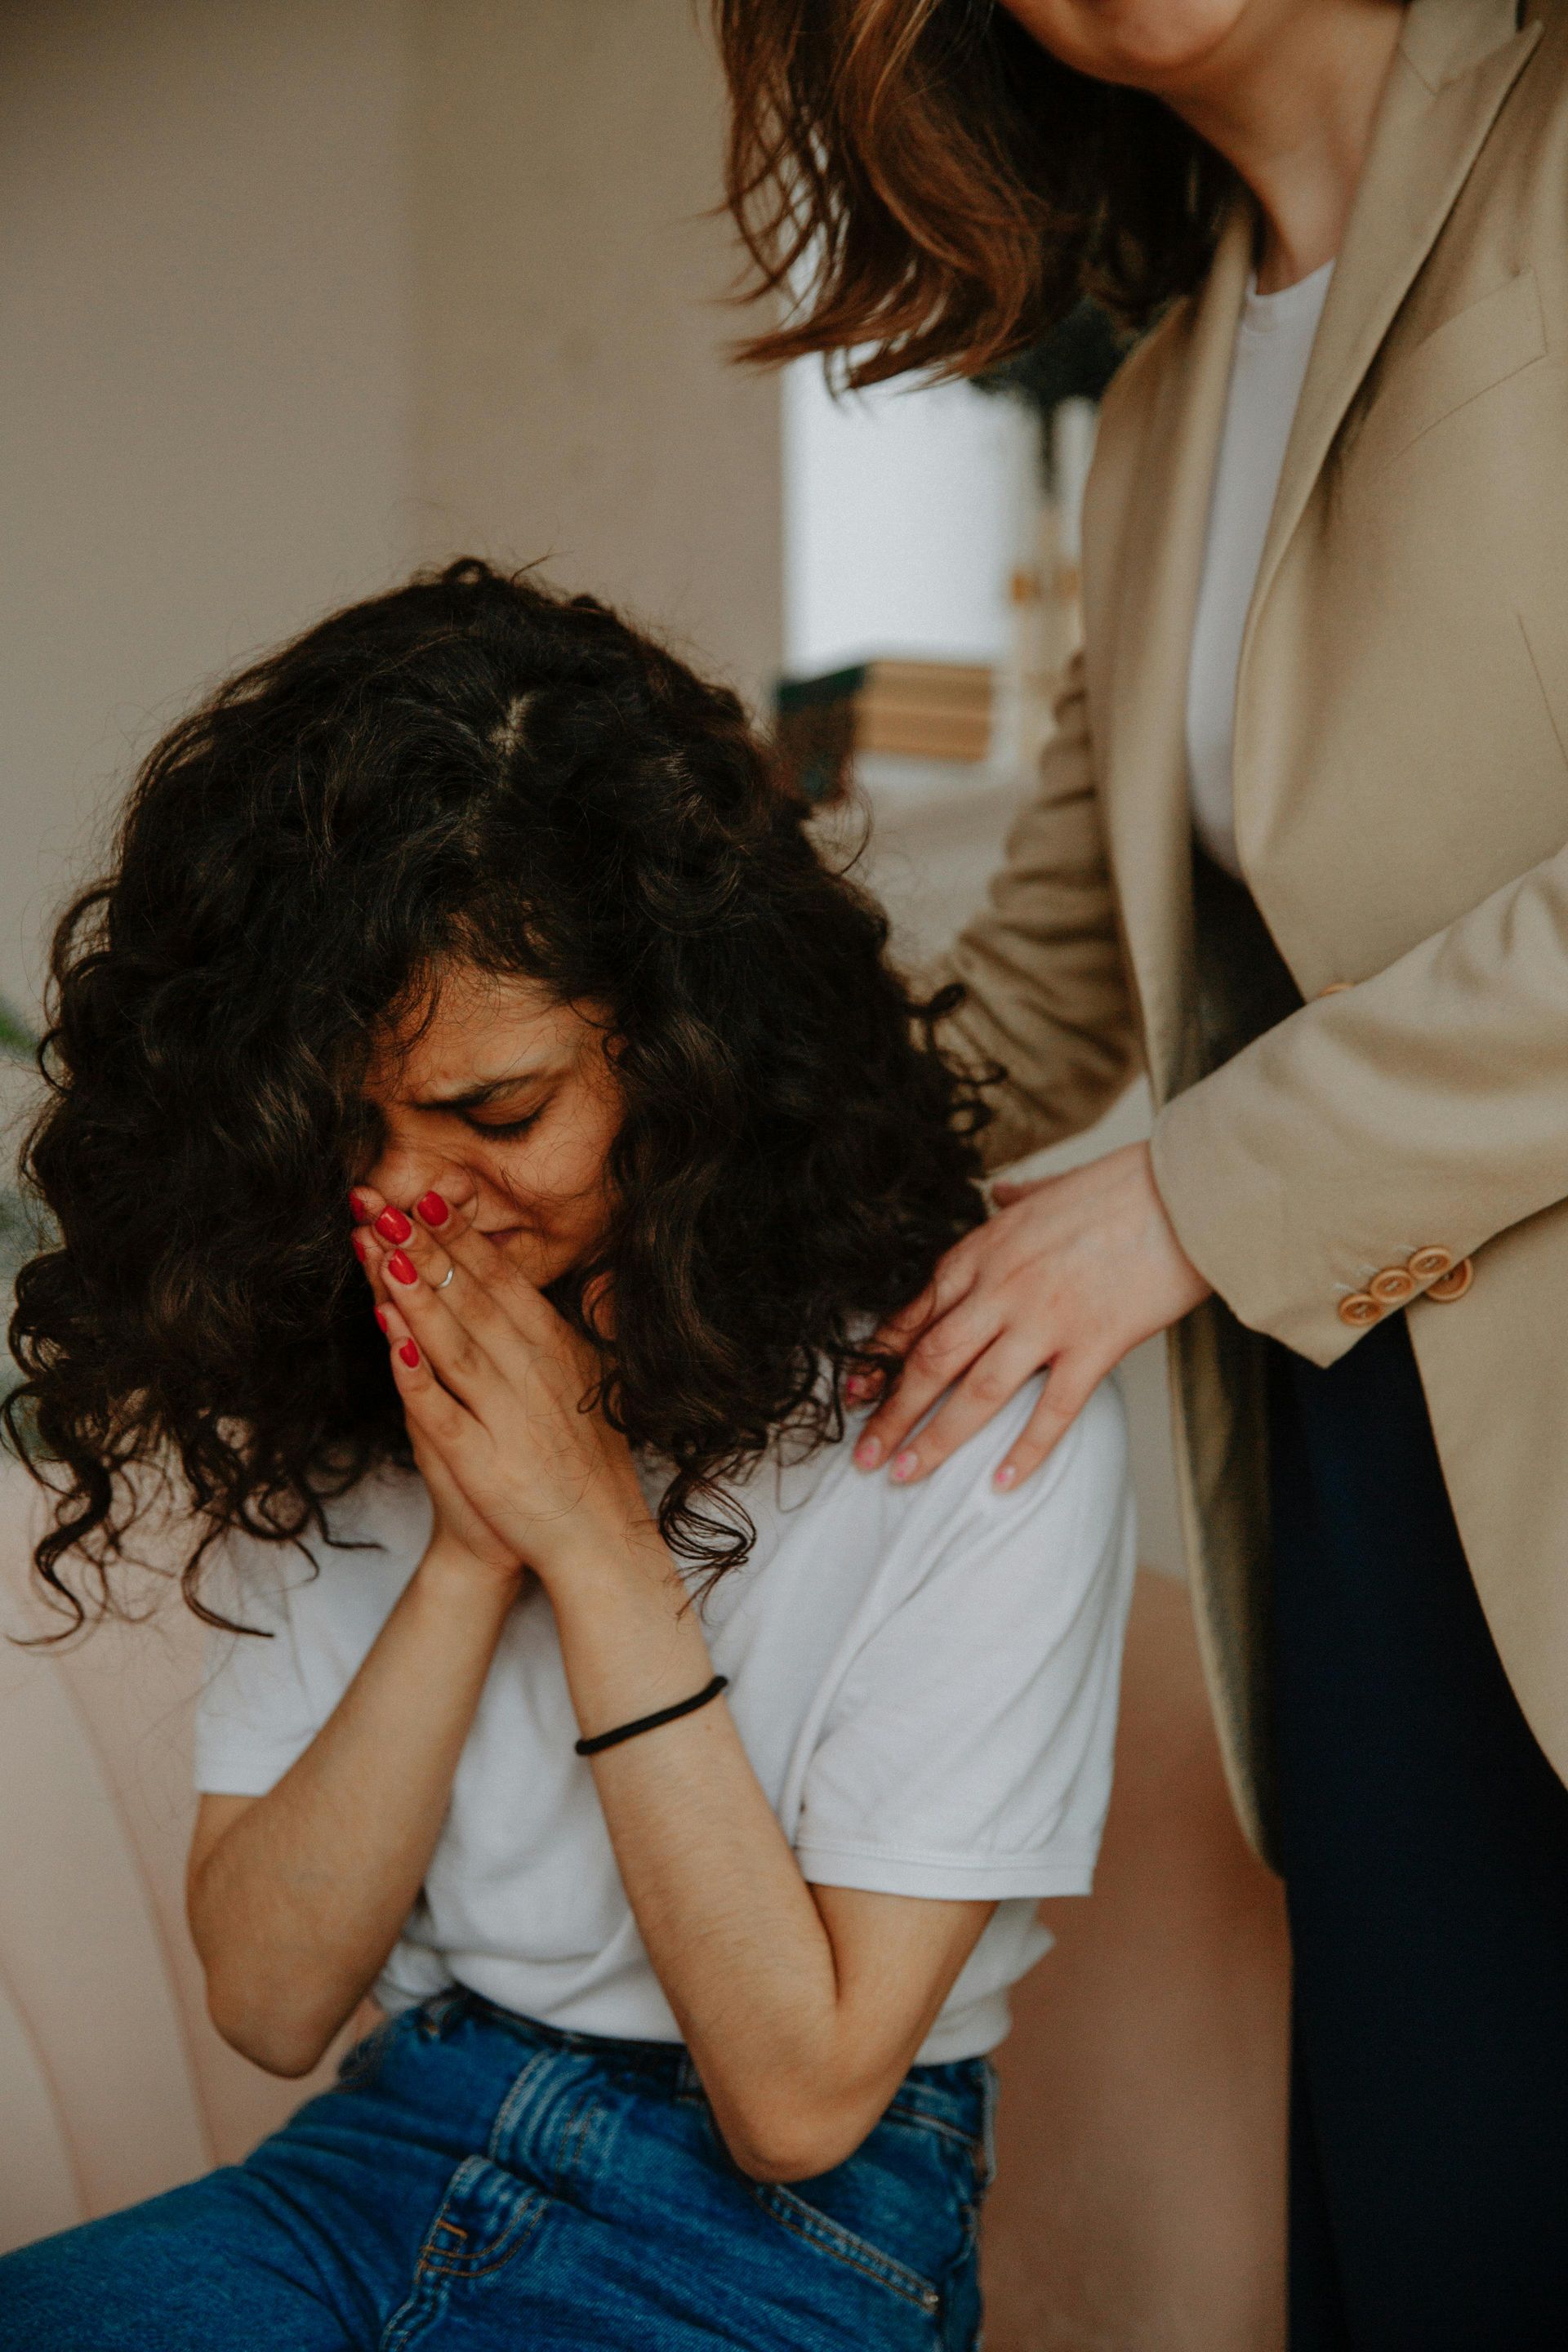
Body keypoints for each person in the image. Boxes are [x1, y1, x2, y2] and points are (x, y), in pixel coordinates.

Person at [0, 562, 1135, 2352]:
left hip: (799, 2227)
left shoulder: (962, 1388)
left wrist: (596, 1545)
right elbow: (275, 1999)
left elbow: (801, 2096)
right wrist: (470, 1553)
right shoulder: (346, 1369)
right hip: (391, 2141)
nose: (398, 1202)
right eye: (339, 1129)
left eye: (495, 1113)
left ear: (692, 1060)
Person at [715, 0, 1568, 2341]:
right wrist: (619, 1127)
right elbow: (1036, 1004)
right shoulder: (1167, 406)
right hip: (1364, 1471)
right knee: (1446, 2238)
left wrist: (1182, 1202)